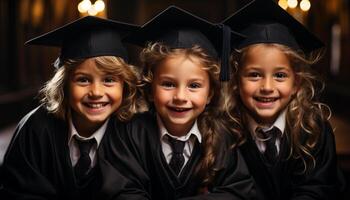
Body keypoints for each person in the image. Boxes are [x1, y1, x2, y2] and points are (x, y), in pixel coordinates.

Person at [0, 16, 150, 200]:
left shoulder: (135, 133)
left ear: (125, 86)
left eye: (109, 80)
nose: (96, 92)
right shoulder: (35, 129)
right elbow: (17, 192)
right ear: (64, 85)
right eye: (83, 80)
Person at [122, 6, 256, 200]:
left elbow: (238, 191)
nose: (180, 97)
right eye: (168, 84)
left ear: (210, 93)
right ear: (150, 89)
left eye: (194, 85)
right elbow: (122, 192)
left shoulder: (221, 137)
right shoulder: (130, 134)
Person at [221, 0, 345, 199]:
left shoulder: (314, 131)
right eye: (254, 74)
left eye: (280, 75)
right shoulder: (223, 132)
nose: (267, 87)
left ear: (296, 83)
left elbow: (318, 190)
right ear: (236, 80)